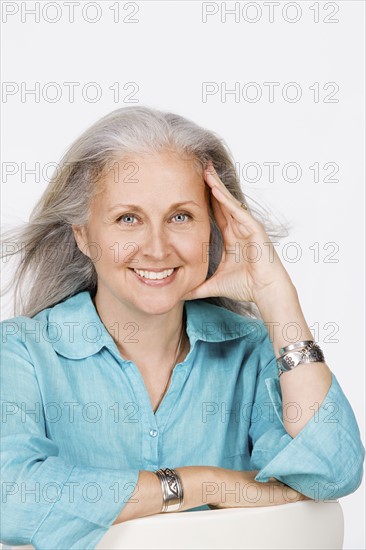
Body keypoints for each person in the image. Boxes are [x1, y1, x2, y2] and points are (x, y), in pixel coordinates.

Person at [0, 106, 364, 549]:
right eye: (127, 218)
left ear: (213, 228)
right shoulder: (22, 352)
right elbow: (11, 495)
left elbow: (329, 472)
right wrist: (201, 484)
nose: (156, 248)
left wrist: (276, 296)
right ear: (82, 233)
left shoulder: (252, 352)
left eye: (180, 217)